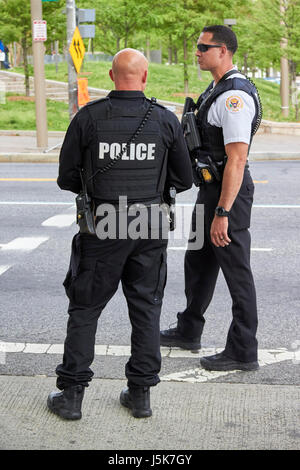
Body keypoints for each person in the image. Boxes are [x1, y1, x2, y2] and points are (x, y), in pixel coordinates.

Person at [47, 48, 192, 420]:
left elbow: (66, 179)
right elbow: (184, 179)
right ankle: (140, 394)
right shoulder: (164, 119)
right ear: (145, 77)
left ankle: (72, 396)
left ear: (112, 76)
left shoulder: (88, 117)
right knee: (146, 309)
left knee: (85, 309)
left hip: (104, 224)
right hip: (150, 223)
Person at [160, 25, 262, 372]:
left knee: (237, 272)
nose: (198, 52)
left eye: (204, 47)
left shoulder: (235, 97)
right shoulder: (216, 88)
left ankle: (243, 351)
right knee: (198, 261)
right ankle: (189, 329)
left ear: (224, 51)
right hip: (211, 188)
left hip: (227, 194)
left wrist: (223, 212)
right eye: (197, 46)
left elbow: (237, 159)